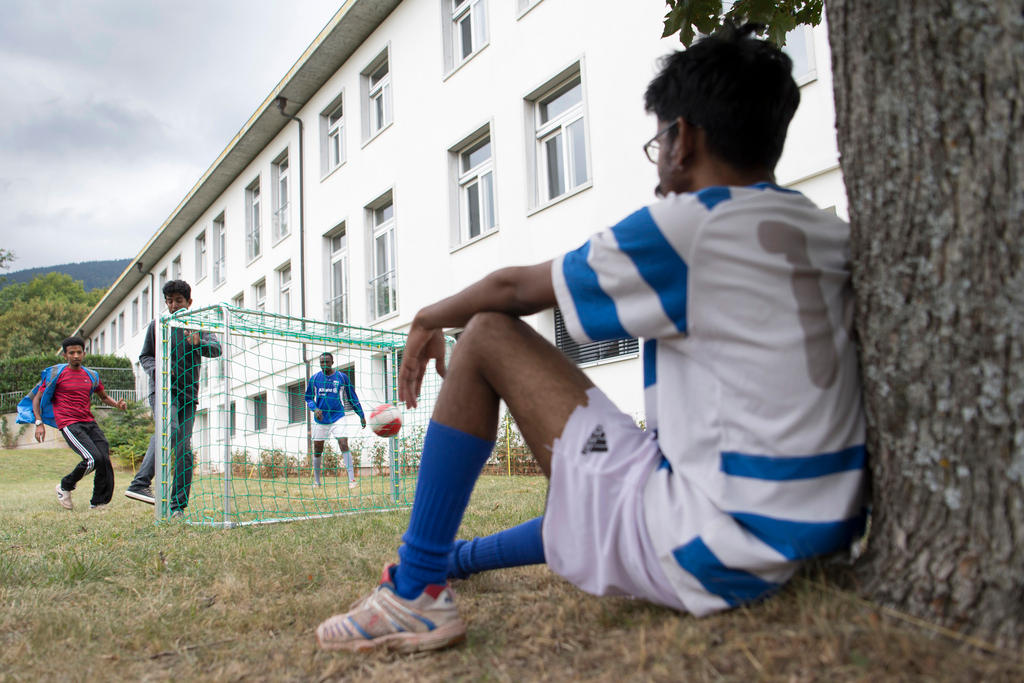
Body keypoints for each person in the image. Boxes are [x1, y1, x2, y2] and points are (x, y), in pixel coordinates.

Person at [315, 24, 867, 653]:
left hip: (713, 549)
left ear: (681, 139)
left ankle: (413, 591)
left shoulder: (694, 225)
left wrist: (426, 318)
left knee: (486, 336)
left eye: (657, 141)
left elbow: (512, 290)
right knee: (610, 464)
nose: (659, 164)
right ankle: (453, 560)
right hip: (814, 535)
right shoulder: (826, 232)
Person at [124, 280, 221, 517]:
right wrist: (158, 371)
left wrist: (198, 343)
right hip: (164, 390)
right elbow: (145, 356)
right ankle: (140, 483)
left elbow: (216, 349)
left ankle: (178, 506)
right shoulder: (158, 325)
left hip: (189, 394)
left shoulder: (199, 325)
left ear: (189, 302)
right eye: (169, 301)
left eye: (178, 301)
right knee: (170, 430)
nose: (173, 305)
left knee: (183, 447)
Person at [29, 337, 127, 510]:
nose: (76, 356)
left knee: (103, 458)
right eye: (71, 353)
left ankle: (98, 502)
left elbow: (103, 396)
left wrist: (116, 405)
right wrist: (39, 422)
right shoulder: (56, 375)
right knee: (92, 459)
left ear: (84, 354)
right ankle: (65, 486)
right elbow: (37, 399)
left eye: (79, 352)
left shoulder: (91, 375)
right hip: (69, 422)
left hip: (88, 421)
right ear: (65, 355)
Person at [304, 352, 366, 489]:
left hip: (338, 416)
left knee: (343, 443)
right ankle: (317, 482)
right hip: (320, 419)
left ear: (332, 362)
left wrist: (361, 414)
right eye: (322, 362)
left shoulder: (341, 377)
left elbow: (352, 397)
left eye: (327, 362)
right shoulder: (314, 379)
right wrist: (315, 409)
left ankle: (352, 480)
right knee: (317, 449)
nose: (324, 365)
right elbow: (308, 398)